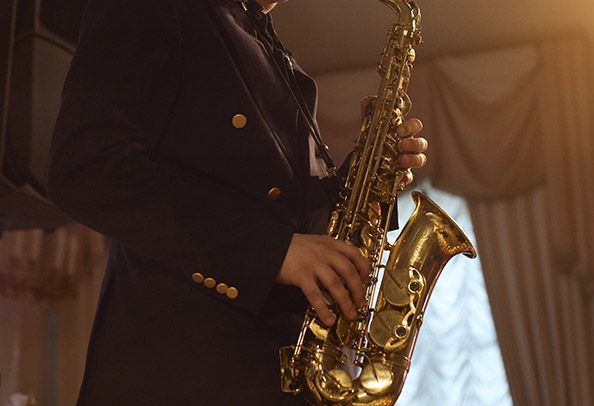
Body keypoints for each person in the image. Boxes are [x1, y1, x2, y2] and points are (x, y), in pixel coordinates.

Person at [46, 0, 427, 404]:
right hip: (185, 374)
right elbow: (86, 169)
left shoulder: (273, 52)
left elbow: (287, 219)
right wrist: (272, 252)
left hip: (276, 374)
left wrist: (369, 171)